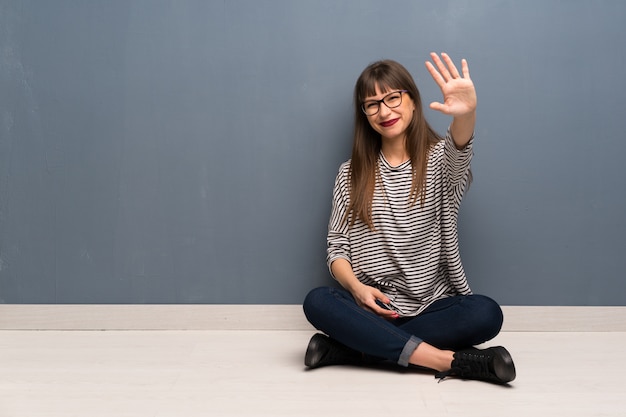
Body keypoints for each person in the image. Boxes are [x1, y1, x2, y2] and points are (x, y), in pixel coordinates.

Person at [302, 52, 516, 384]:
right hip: (371, 309)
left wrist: (467, 114)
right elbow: (337, 249)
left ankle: (355, 349)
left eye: (392, 97)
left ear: (413, 101)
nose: (384, 111)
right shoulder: (349, 174)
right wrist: (358, 290)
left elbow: (460, 148)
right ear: (364, 114)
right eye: (372, 104)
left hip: (433, 308)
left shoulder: (440, 161)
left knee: (486, 313)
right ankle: (446, 360)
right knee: (318, 301)